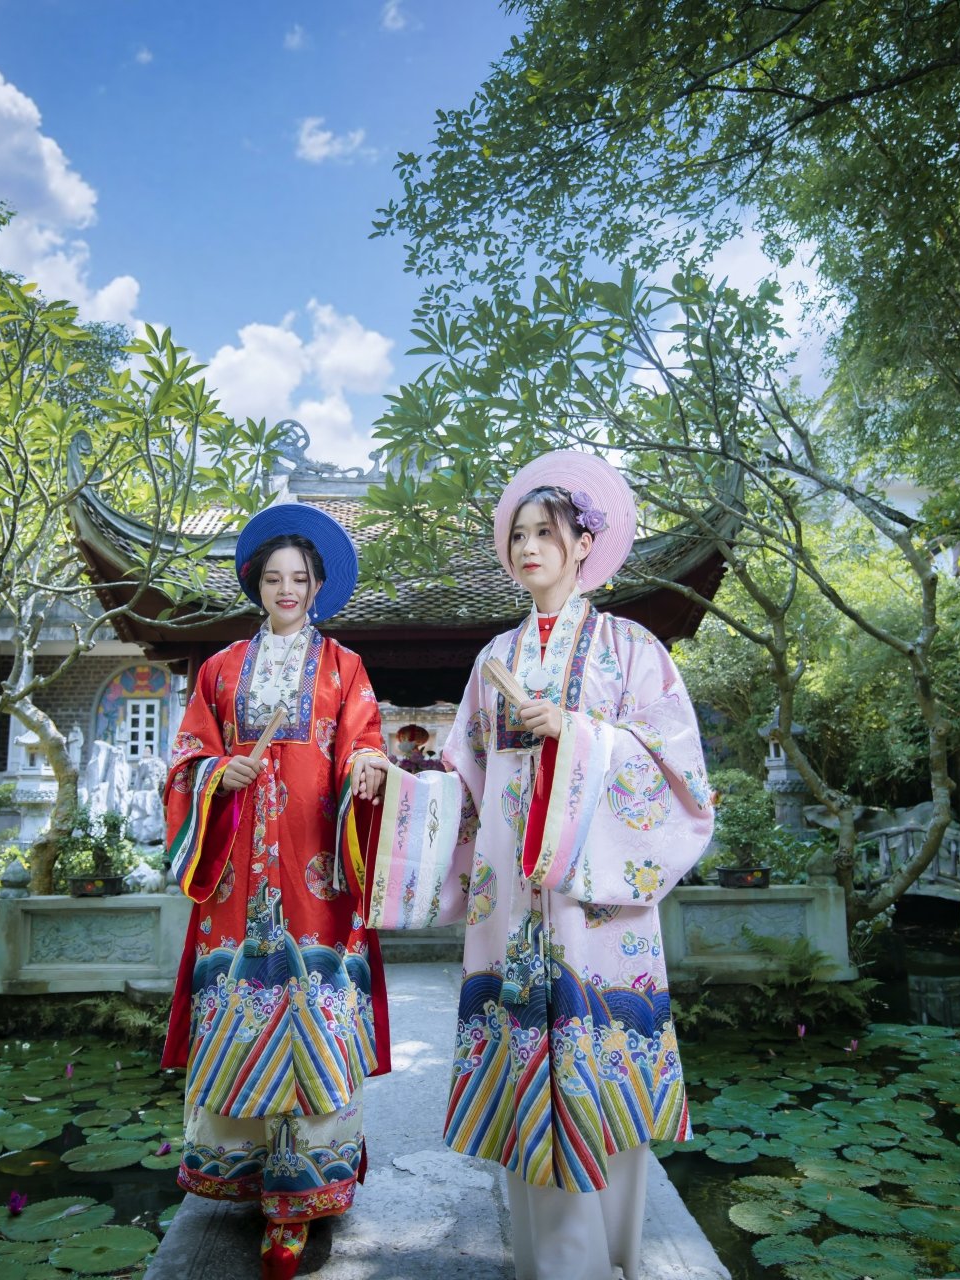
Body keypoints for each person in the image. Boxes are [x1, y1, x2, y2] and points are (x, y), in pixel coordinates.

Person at [344, 450, 715, 1280]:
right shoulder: (491, 661)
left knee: (598, 1074)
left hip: (595, 907)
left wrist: (582, 736)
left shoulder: (632, 649)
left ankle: (609, 1253)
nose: (530, 546)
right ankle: (548, 1264)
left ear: (585, 542)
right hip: (510, 904)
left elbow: (681, 774)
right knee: (524, 1078)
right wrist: (397, 785)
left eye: (546, 532)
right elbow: (462, 785)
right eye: (518, 534)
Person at [160, 502, 392, 1280]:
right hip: (236, 879)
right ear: (255, 584)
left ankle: (302, 1203)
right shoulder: (221, 668)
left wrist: (366, 766)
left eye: (300, 577)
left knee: (315, 1020)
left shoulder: (343, 668)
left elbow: (365, 737)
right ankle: (249, 1178)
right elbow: (188, 752)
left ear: (319, 586)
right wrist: (215, 775)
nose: (287, 588)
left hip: (317, 875)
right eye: (273, 577)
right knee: (241, 1011)